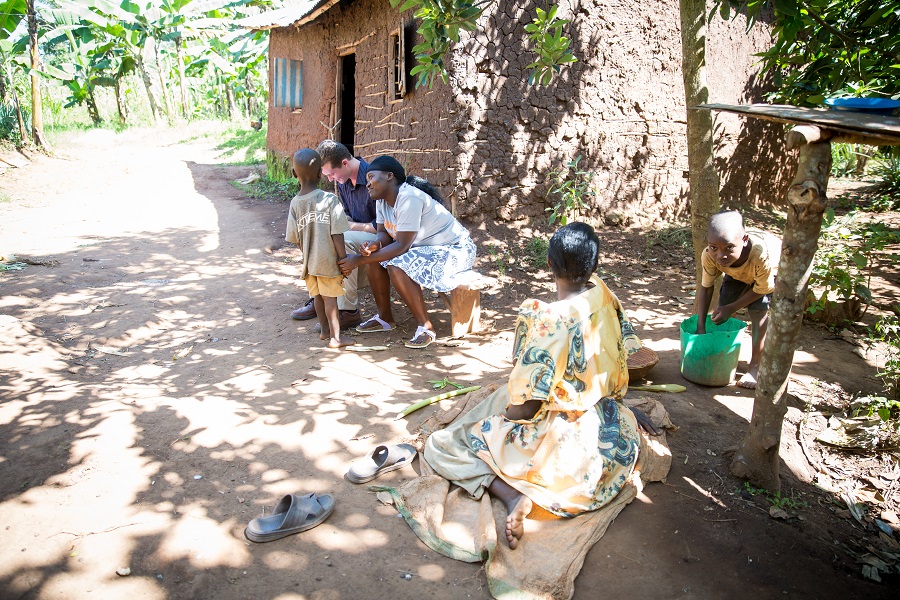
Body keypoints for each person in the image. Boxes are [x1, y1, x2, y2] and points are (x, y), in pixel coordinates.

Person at [422, 222, 659, 549]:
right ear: (595, 265)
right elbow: (620, 354)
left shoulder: (550, 324)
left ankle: (511, 495)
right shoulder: (604, 294)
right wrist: (623, 410)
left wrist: (502, 422)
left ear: (548, 264)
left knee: (442, 444)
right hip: (608, 433)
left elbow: (527, 407)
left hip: (560, 445)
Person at [337, 155, 475, 349]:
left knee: (396, 265)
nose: (367, 185)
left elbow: (401, 246)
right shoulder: (381, 200)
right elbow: (383, 235)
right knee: (374, 260)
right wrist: (373, 246)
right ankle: (385, 319)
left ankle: (425, 327)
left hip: (455, 250)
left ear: (389, 176)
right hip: (425, 249)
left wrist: (357, 260)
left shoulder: (409, 197)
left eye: (371, 177)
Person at [289, 140, 377, 330]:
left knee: (339, 240)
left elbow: (383, 226)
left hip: (380, 238)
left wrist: (347, 225)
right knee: (324, 237)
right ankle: (321, 297)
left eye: (331, 173)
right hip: (358, 235)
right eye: (326, 175)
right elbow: (344, 214)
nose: (330, 179)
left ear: (345, 163)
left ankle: (348, 311)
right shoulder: (343, 180)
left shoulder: (373, 177)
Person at [695, 210, 781, 389]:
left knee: (759, 312)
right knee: (723, 309)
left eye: (729, 248)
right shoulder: (709, 255)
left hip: (768, 274)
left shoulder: (759, 252)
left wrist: (732, 307)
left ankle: (756, 366)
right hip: (737, 274)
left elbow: (762, 289)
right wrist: (700, 327)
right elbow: (706, 287)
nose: (720, 255)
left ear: (744, 240)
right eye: (714, 248)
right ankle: (725, 354)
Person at [284, 148, 355, 348]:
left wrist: (307, 253)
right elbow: (337, 232)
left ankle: (324, 331)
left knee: (316, 296)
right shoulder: (329, 200)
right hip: (328, 260)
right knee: (330, 298)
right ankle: (336, 338)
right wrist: (343, 259)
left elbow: (294, 237)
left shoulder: (295, 204)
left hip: (309, 262)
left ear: (293, 173)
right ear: (319, 174)